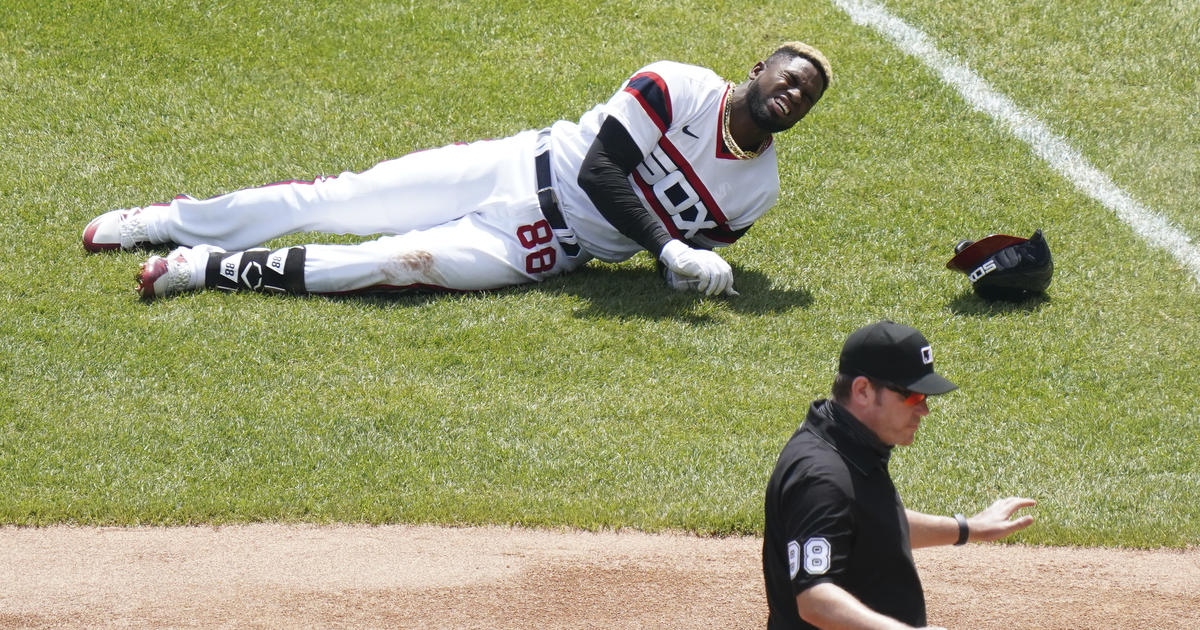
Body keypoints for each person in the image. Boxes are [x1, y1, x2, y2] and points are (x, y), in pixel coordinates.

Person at [82, 42, 831, 300]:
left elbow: (694, 244)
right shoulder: (678, 85)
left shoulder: (756, 191)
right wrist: (668, 248)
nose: (792, 93)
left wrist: (691, 270)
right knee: (341, 198)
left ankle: (205, 269)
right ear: (758, 69)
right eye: (788, 77)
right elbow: (606, 172)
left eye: (806, 97)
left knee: (386, 266)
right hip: (512, 167)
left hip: (539, 251)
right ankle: (165, 221)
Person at [762, 321, 1036, 630]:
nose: (924, 410)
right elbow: (815, 600)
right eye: (912, 396)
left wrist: (968, 528)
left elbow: (869, 522)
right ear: (863, 391)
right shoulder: (822, 477)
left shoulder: (846, 442)